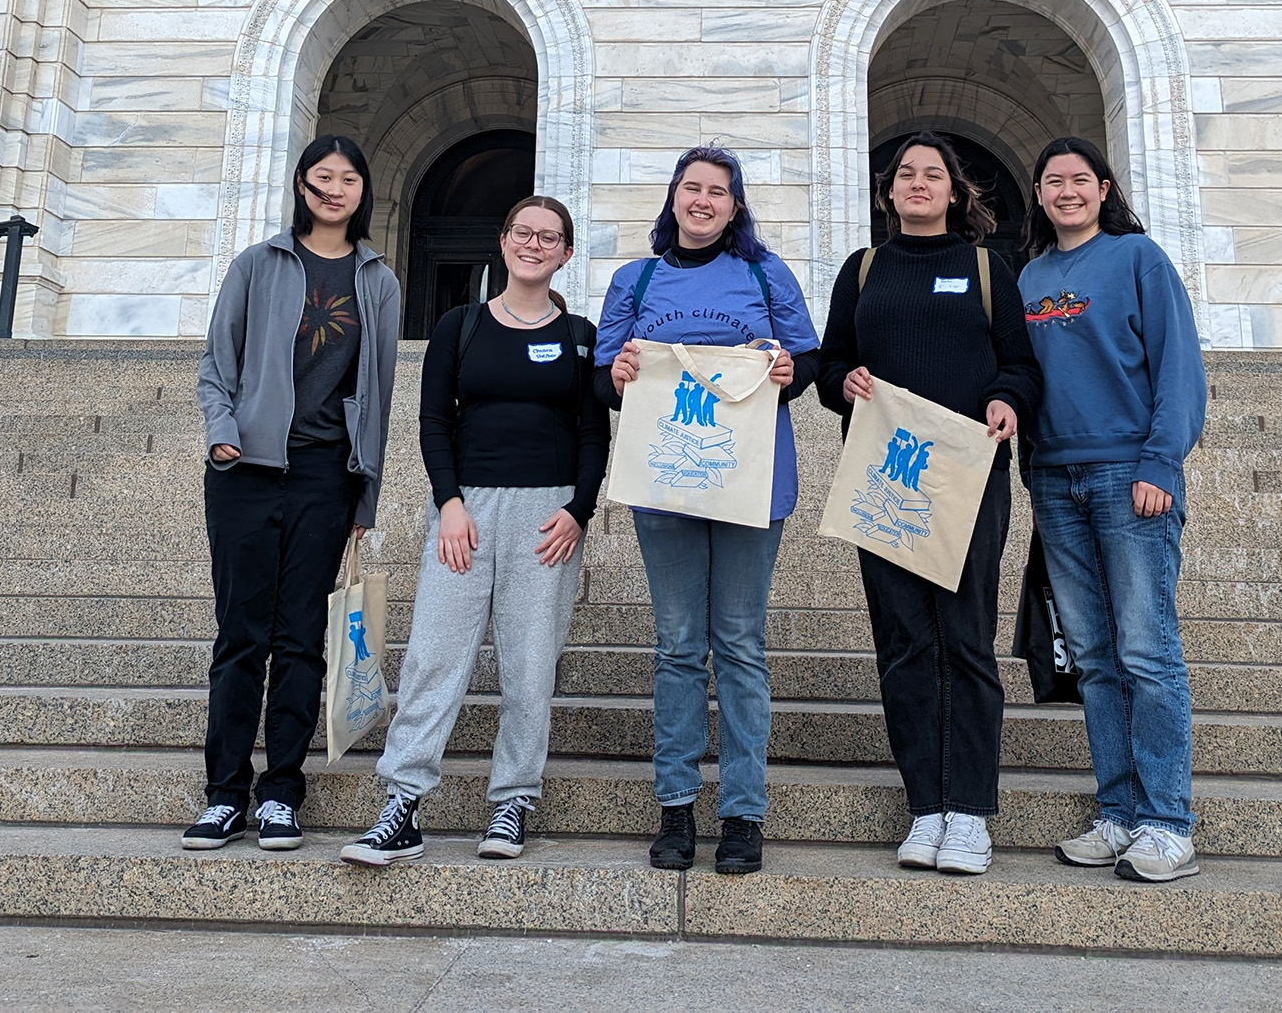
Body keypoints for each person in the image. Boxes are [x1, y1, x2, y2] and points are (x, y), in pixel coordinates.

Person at [342, 196, 609, 867]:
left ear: (566, 254)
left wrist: (579, 510)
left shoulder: (580, 334)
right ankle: (402, 805)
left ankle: (513, 802)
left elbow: (590, 432)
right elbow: (435, 421)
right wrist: (450, 502)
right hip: (466, 512)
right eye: (523, 231)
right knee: (435, 656)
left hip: (547, 516)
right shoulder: (461, 325)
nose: (534, 244)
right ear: (503, 239)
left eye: (549, 237)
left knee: (527, 667)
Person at [817, 132, 1039, 877]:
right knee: (906, 643)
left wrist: (1007, 399)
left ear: (954, 193)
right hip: (886, 478)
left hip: (968, 477)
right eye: (905, 174)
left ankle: (970, 812)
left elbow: (1020, 365)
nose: (918, 183)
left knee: (967, 641)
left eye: (932, 174)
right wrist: (842, 379)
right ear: (889, 193)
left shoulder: (985, 267)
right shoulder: (864, 269)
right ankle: (926, 807)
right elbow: (829, 363)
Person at [596, 146, 820, 876]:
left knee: (742, 645)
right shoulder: (636, 278)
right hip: (665, 483)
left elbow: (805, 364)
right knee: (680, 646)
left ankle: (744, 814)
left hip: (752, 482)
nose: (703, 201)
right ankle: (676, 810)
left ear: (734, 205)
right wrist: (621, 372)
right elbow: (604, 378)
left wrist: (788, 372)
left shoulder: (766, 273)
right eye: (691, 188)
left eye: (717, 192)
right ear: (673, 198)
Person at [188, 134, 402, 850]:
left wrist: (364, 500)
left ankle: (281, 790)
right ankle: (223, 795)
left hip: (324, 475)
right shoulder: (258, 264)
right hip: (245, 471)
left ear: (362, 191)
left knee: (301, 637)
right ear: (300, 186)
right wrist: (224, 431)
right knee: (241, 635)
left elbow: (378, 396)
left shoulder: (378, 281)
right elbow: (218, 361)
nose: (334, 190)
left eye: (347, 179)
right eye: (321, 178)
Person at [1017, 135, 1207, 883]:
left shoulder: (1138, 259)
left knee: (1146, 651)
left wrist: (1161, 459)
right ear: (1038, 195)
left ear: (1102, 189)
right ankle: (1120, 812)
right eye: (1052, 180)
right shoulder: (1030, 276)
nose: (1066, 191)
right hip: (1057, 481)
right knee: (1094, 658)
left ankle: (1167, 821)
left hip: (1132, 473)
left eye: (1079, 179)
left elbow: (1179, 365)